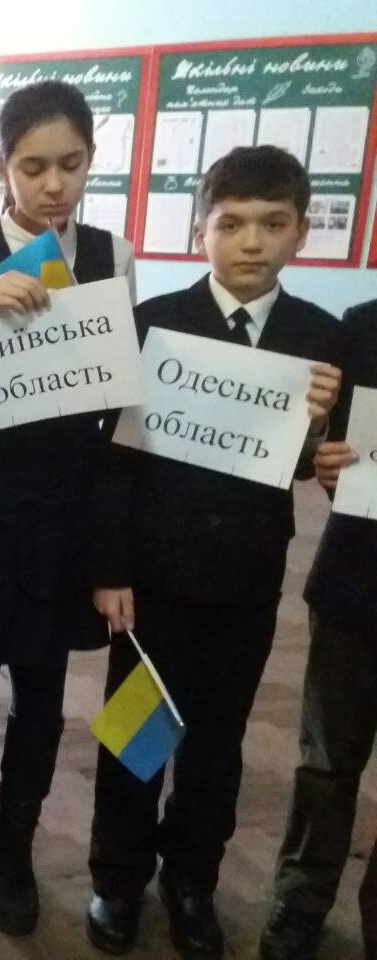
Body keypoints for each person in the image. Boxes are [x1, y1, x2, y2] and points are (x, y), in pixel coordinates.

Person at [85, 145, 343, 959]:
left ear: (301, 231)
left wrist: (317, 429)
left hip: (246, 577)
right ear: (201, 231)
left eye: (273, 223)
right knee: (136, 734)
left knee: (216, 743)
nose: (251, 242)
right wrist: (110, 570)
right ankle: (117, 878)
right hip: (151, 577)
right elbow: (113, 461)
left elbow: (310, 467)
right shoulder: (154, 323)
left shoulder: (319, 339)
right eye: (231, 224)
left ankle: (191, 878)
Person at [0, 79, 137, 937]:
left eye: (70, 165)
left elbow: (117, 401)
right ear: (1, 165)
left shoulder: (111, 254)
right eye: (33, 167)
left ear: (90, 161)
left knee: (41, 690)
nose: (52, 184)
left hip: (63, 513)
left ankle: (15, 845)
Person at [259, 295, 377, 960]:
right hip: (360, 579)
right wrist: (326, 462)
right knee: (328, 759)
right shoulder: (361, 327)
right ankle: (301, 897)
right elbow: (327, 446)